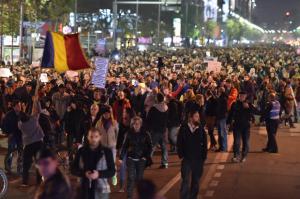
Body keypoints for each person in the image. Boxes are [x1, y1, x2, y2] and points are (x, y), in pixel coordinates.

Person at [71, 128, 116, 199]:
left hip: (101, 189)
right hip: (84, 188)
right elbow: (73, 169)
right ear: (87, 137)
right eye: (91, 136)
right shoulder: (81, 151)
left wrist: (99, 174)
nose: (94, 139)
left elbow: (112, 171)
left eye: (96, 136)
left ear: (100, 137)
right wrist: (84, 173)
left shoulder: (107, 152)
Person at [119, 116, 152, 199]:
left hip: (141, 159)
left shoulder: (146, 133)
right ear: (132, 124)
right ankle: (129, 196)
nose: (136, 125)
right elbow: (124, 146)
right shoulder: (128, 133)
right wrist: (121, 158)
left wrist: (146, 157)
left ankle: (139, 195)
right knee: (130, 177)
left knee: (139, 178)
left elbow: (150, 146)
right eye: (134, 123)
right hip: (131, 158)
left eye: (138, 123)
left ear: (141, 124)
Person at [177, 110, 207, 199]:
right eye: (196, 116)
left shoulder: (201, 129)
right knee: (185, 180)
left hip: (198, 159)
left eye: (198, 116)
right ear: (190, 118)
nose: (198, 118)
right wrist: (181, 154)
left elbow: (204, 144)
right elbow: (179, 142)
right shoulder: (184, 128)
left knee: (196, 181)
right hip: (187, 158)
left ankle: (193, 197)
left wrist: (203, 156)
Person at [18, 95, 44, 186]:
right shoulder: (33, 120)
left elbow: (23, 117)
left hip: (28, 145)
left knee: (26, 164)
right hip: (38, 143)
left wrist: (24, 109)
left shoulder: (21, 125)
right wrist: (37, 101)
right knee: (39, 162)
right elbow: (39, 111)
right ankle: (39, 181)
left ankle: (25, 182)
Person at [227, 92, 259, 163]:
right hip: (237, 125)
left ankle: (244, 156)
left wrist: (249, 107)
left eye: (244, 96)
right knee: (237, 142)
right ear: (239, 96)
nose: (242, 97)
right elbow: (230, 114)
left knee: (245, 142)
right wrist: (228, 123)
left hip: (246, 126)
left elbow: (256, 111)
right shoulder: (235, 104)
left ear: (246, 97)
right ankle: (236, 156)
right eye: (241, 96)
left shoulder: (249, 104)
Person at [146, 93, 169, 169]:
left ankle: (148, 162)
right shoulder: (166, 108)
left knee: (152, 146)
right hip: (164, 130)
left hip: (155, 130)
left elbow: (149, 119)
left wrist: (147, 129)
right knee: (164, 147)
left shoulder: (154, 108)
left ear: (157, 99)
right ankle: (165, 163)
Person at [2, 100, 23, 174]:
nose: (20, 107)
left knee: (20, 151)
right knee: (10, 151)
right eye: (18, 106)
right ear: (14, 106)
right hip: (12, 136)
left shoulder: (21, 114)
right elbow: (3, 125)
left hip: (20, 136)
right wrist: (8, 133)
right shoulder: (9, 115)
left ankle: (20, 168)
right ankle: (8, 168)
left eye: (20, 105)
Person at [216, 87, 228, 152]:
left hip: (222, 117)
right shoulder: (221, 98)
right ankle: (221, 147)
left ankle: (223, 147)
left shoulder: (223, 99)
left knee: (222, 133)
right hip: (220, 117)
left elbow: (224, 109)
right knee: (220, 133)